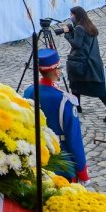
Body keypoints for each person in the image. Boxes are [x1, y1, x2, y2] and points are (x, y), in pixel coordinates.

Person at [24, 48, 88, 182]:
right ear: (56, 71)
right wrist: (82, 170)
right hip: (60, 160)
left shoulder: (29, 91)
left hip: (35, 154)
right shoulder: (64, 100)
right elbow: (74, 138)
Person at [62, 6, 106, 107]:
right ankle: (78, 107)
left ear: (77, 15)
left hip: (82, 62)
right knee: (78, 85)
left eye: (72, 14)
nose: (70, 16)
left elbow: (76, 44)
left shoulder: (79, 28)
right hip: (93, 61)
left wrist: (67, 35)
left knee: (76, 86)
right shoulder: (89, 26)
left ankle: (77, 107)